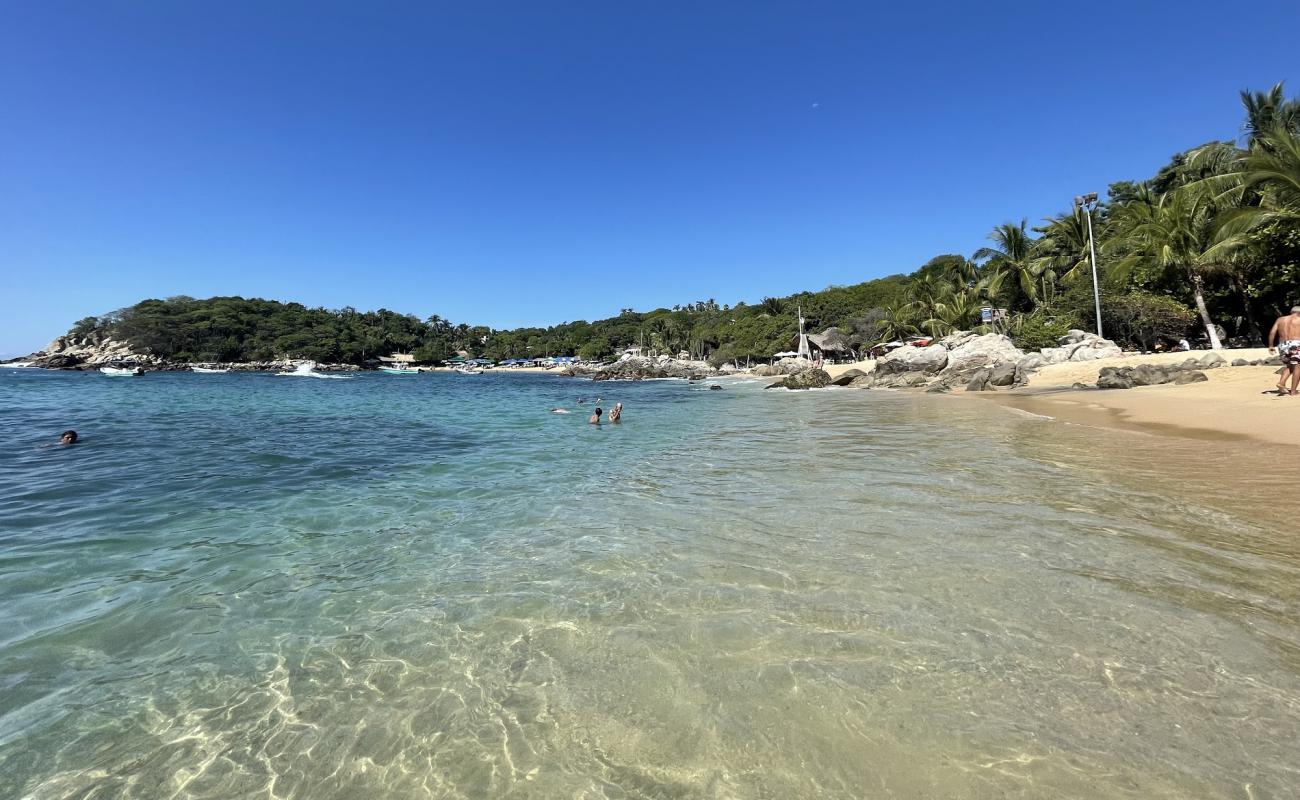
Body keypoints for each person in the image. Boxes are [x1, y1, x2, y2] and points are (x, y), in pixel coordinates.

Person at [1267, 306, 1300, 395]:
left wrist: (1271, 345)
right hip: (1296, 344)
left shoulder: (1280, 320)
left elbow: (1272, 332)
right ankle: (1293, 391)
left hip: (1283, 345)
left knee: (1290, 366)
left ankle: (1281, 383)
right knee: (1298, 367)